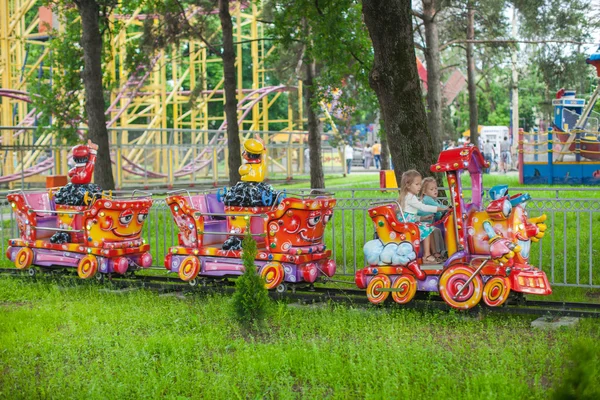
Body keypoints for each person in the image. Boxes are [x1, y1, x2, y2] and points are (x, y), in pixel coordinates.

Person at [398, 170, 448, 264]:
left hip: (408, 222)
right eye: (417, 184)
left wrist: (421, 219)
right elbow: (423, 207)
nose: (419, 187)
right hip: (406, 225)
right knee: (426, 228)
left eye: (420, 184)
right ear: (408, 185)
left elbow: (409, 214)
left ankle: (432, 253)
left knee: (428, 226)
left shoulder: (408, 196)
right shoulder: (410, 197)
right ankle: (427, 255)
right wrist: (439, 209)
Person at [417, 178, 447, 261]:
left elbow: (438, 215)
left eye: (436, 188)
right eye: (431, 189)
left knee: (433, 230)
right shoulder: (427, 199)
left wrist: (442, 215)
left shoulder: (433, 200)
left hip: (427, 223)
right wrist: (449, 208)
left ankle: (434, 252)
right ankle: (428, 254)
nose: (435, 191)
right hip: (419, 221)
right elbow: (438, 208)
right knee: (431, 230)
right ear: (424, 192)